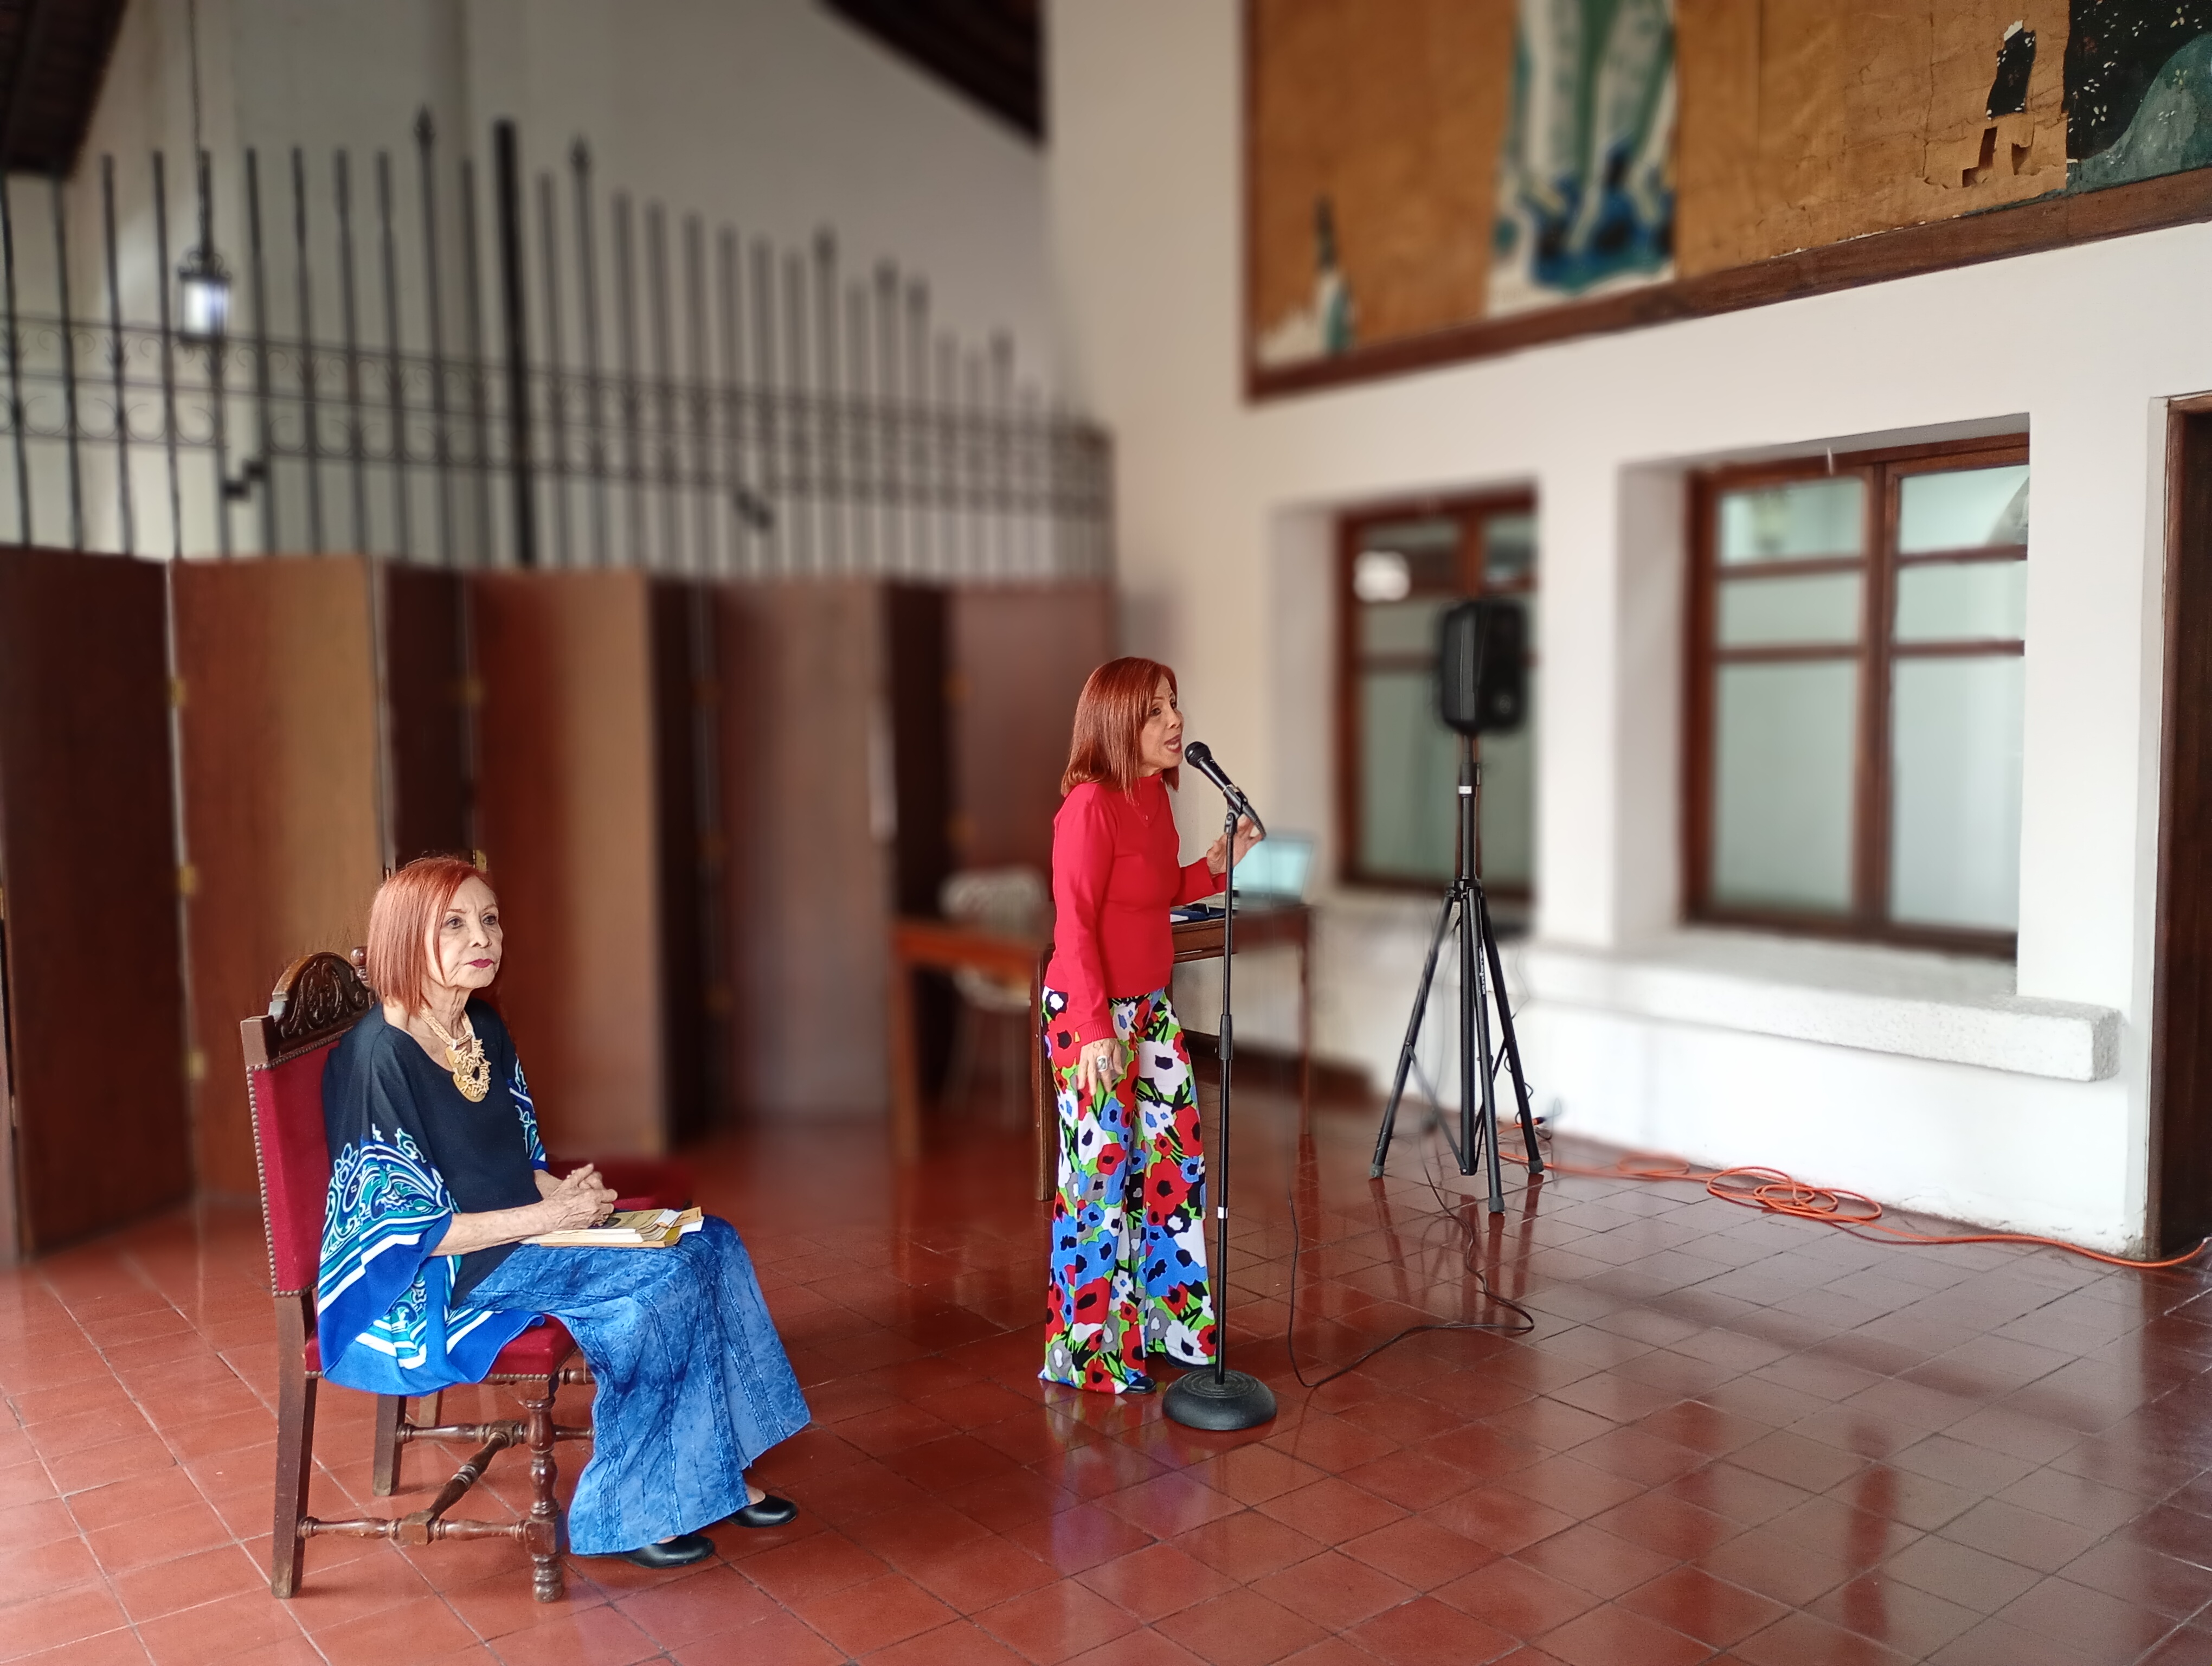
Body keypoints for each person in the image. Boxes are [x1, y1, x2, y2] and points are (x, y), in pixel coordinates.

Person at [316, 855, 808, 1569]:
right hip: (452, 1276)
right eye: (453, 924)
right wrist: (550, 1219)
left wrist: (564, 1195)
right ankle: (633, 1513)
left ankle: (714, 1474)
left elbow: (516, 1161)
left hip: (524, 1235)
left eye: (489, 919)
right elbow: (407, 1235)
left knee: (713, 1242)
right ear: (403, 938)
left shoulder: (481, 1025)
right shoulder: (377, 1060)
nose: (482, 937)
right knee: (653, 1292)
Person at [1040, 658, 1261, 1394]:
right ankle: (1090, 1353)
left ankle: (1175, 1325)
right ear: (1117, 723)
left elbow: (1161, 890)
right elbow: (1074, 926)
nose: (1176, 721)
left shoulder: (1153, 800)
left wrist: (1218, 865)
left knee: (1173, 1165)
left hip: (1149, 1009)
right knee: (1101, 1177)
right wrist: (1095, 1026)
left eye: (1175, 705)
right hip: (1089, 1016)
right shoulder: (1089, 808)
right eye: (1157, 710)